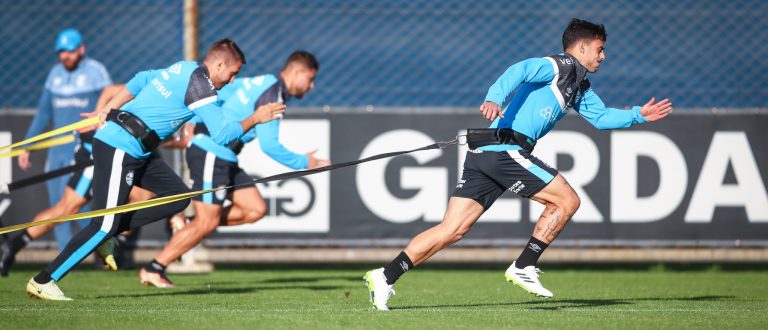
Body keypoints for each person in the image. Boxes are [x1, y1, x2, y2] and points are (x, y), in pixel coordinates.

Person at [363, 18, 673, 310]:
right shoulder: (560, 65)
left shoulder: (578, 84)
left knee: (453, 229)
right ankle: (524, 265)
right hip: (505, 150)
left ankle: (386, 275)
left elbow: (601, 118)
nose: (603, 56)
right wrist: (494, 97)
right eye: (599, 48)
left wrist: (637, 115)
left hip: (485, 152)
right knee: (567, 201)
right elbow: (520, 69)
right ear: (581, 48)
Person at [25, 39, 286, 300]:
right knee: (103, 223)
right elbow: (224, 134)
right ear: (219, 64)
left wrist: (110, 106)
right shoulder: (201, 86)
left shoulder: (185, 67)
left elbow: (141, 79)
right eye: (233, 74)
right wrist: (256, 117)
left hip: (139, 151)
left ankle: (109, 231)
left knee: (177, 196)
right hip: (120, 147)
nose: (232, 81)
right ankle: (43, 280)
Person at [139, 50, 329, 288]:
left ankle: (189, 224)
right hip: (212, 152)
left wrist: (195, 122)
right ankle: (153, 268)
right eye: (310, 79)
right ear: (298, 72)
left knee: (255, 209)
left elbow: (220, 91)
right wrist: (305, 163)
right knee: (207, 222)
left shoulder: (263, 81)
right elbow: (270, 145)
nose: (311, 86)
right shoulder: (273, 94)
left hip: (224, 157)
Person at [0, 85, 187, 277]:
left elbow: (163, 139)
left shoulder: (172, 109)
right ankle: (13, 248)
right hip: (101, 151)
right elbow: (110, 91)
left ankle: (109, 239)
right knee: (66, 209)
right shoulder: (156, 88)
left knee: (142, 196)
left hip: (126, 152)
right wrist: (100, 118)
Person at [18, 28, 112, 251]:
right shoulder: (55, 74)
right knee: (56, 207)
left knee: (74, 207)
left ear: (81, 49)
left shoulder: (96, 72)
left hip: (83, 150)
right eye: (61, 52)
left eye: (69, 51)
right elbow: (43, 114)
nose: (65, 56)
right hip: (57, 153)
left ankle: (101, 248)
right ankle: (64, 257)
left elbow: (110, 103)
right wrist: (27, 146)